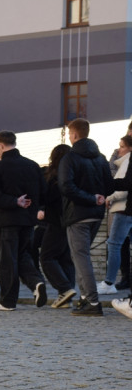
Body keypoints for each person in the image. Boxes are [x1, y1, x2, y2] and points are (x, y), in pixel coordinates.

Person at [0, 131, 49, 312]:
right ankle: (36, 283)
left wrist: (13, 201)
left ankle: (8, 300)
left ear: (0, 146)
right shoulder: (32, 165)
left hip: (7, 220)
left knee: (7, 260)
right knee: (22, 256)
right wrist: (34, 209)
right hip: (28, 220)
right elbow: (43, 192)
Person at [58, 118, 113, 316]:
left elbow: (65, 186)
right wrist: (97, 199)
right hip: (96, 214)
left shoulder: (69, 158)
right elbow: (109, 186)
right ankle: (84, 298)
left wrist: (89, 198)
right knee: (80, 256)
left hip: (78, 214)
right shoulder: (101, 158)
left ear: (73, 135)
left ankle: (92, 301)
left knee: (81, 258)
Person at [39, 144, 78, 309]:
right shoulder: (74, 174)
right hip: (71, 219)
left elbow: (47, 198)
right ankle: (65, 297)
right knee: (65, 258)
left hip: (55, 221)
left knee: (46, 257)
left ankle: (65, 289)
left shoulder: (53, 177)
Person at [97, 135, 131, 296]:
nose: (119, 149)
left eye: (122, 146)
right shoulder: (124, 162)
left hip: (124, 209)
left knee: (114, 244)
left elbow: (124, 187)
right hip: (126, 208)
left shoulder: (127, 162)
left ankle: (109, 282)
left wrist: (108, 195)